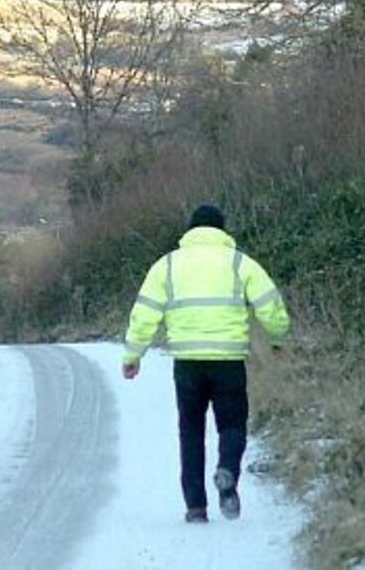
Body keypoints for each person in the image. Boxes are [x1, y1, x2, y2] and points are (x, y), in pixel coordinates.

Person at [122, 204, 290, 523]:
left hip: (187, 364)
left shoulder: (168, 265)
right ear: (222, 230)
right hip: (229, 361)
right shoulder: (240, 262)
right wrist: (279, 337)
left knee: (191, 431)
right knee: (232, 425)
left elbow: (144, 314)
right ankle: (227, 471)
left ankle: (196, 507)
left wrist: (133, 355)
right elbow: (270, 305)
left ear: (190, 230)